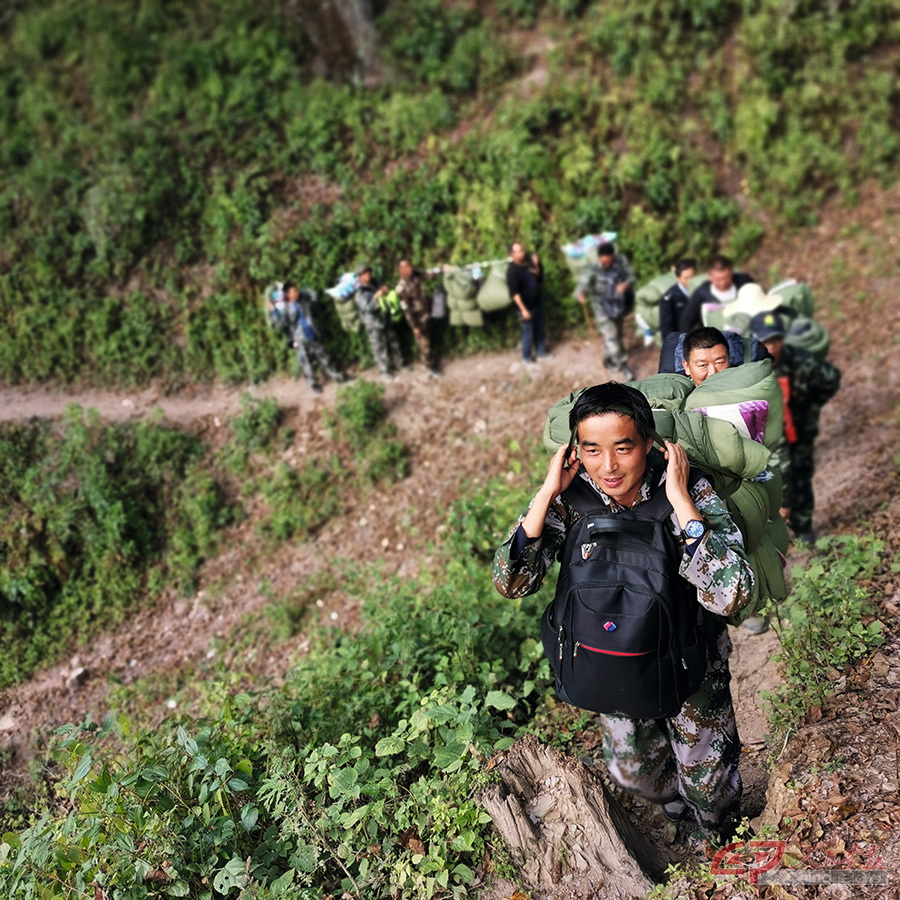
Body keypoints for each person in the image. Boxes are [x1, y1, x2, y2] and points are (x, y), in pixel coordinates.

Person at [493, 382, 753, 844]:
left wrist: (683, 505)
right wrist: (548, 491)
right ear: (576, 449)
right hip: (611, 656)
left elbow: (733, 595)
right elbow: (513, 583)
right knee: (635, 772)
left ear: (648, 444)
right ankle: (676, 805)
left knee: (709, 783)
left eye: (623, 448)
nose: (608, 466)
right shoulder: (573, 499)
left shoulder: (685, 489)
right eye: (592, 450)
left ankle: (720, 842)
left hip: (689, 659)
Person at [748, 310, 841, 543]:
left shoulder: (801, 360)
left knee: (800, 475)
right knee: (768, 478)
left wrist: (811, 405)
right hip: (767, 435)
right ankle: (770, 528)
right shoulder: (749, 367)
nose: (772, 346)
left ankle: (803, 527)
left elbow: (830, 378)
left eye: (775, 340)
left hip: (799, 432)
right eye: (765, 341)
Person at [576, 242, 636, 381]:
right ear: (599, 258)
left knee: (617, 335)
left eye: (609, 261)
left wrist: (625, 285)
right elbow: (582, 286)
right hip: (601, 308)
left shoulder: (620, 262)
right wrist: (581, 294)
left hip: (618, 305)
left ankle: (608, 359)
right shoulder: (592, 268)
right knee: (612, 337)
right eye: (604, 261)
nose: (607, 264)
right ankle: (624, 365)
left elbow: (631, 277)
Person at [283, 283, 348, 394]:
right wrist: (291, 341)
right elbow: (286, 327)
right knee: (306, 363)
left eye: (297, 290)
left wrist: (304, 291)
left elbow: (316, 295)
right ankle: (313, 384)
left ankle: (337, 376)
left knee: (324, 356)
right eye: (293, 291)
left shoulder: (304, 300)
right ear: (288, 294)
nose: (296, 292)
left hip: (312, 334)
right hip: (300, 339)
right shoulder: (286, 309)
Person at [678, 256, 755, 334]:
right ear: (710, 276)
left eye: (726, 278)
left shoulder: (744, 282)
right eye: (718, 280)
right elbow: (685, 322)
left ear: (731, 272)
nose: (723, 283)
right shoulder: (702, 294)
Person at [353, 264, 404, 379]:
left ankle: (399, 364)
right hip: (373, 323)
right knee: (379, 348)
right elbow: (367, 307)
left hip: (385, 318)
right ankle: (384, 371)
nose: (368, 275)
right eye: (364, 274)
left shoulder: (375, 282)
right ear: (359, 276)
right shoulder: (359, 291)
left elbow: (385, 294)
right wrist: (376, 296)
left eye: (368, 272)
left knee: (393, 342)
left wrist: (384, 291)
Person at [395, 259, 441, 377]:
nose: (409, 269)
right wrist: (414, 326)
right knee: (424, 344)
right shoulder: (401, 288)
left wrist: (442, 269)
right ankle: (429, 367)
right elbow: (407, 310)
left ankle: (435, 363)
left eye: (409, 265)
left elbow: (429, 273)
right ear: (400, 270)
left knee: (432, 339)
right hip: (417, 319)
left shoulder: (417, 275)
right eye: (405, 267)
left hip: (427, 314)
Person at [506, 241, 548, 365]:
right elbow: (514, 293)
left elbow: (539, 278)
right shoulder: (512, 271)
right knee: (528, 333)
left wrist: (537, 265)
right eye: (518, 251)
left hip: (536, 303)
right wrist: (523, 310)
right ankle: (526, 358)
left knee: (540, 330)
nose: (522, 253)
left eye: (522, 250)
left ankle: (541, 352)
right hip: (525, 307)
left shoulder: (527, 265)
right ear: (512, 254)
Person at [659, 259, 697, 340]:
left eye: (693, 277)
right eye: (686, 278)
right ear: (678, 279)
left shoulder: (702, 291)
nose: (691, 281)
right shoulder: (669, 299)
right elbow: (667, 330)